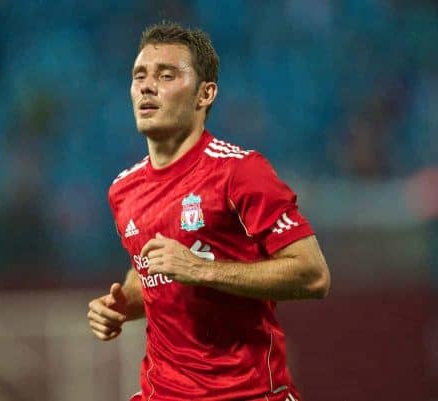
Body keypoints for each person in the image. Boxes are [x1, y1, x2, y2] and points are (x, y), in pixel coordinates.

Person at [87, 21, 330, 401]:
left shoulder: (240, 172)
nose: (147, 86)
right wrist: (121, 305)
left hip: (247, 393)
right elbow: (151, 269)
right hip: (162, 393)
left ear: (205, 94)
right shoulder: (123, 190)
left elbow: (313, 275)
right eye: (139, 76)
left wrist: (200, 268)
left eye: (166, 75)